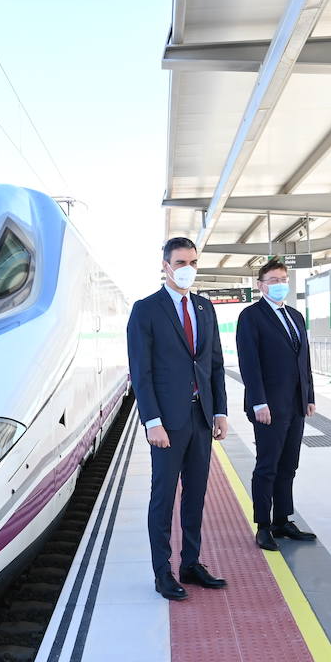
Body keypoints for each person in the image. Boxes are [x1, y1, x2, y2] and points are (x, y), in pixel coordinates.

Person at [126, 237, 230, 601]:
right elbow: (141, 370)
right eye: (181, 262)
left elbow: (214, 363)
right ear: (166, 265)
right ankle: (162, 571)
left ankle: (191, 563)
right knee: (163, 497)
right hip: (167, 423)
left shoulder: (204, 307)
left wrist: (220, 410)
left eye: (193, 262)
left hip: (201, 418)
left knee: (196, 494)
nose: (188, 269)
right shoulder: (146, 309)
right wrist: (151, 420)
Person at [235, 259, 317, 550]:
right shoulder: (251, 316)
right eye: (272, 280)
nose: (279, 284)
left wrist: (309, 396)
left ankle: (283, 519)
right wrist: (258, 402)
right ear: (260, 285)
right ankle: (264, 525)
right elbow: (249, 363)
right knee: (267, 465)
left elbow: (303, 360)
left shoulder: (295, 316)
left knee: (289, 465)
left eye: (283, 279)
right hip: (268, 406)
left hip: (295, 404)